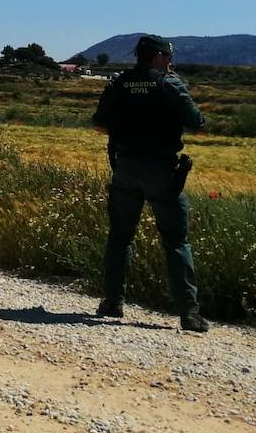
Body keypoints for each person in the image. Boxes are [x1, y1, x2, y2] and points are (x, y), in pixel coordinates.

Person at [91, 34, 209, 332]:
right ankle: (189, 314)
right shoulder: (169, 84)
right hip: (162, 172)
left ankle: (112, 302)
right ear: (157, 57)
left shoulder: (119, 82)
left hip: (126, 167)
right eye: (168, 57)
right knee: (176, 242)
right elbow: (197, 123)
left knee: (120, 237)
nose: (170, 62)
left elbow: (99, 124)